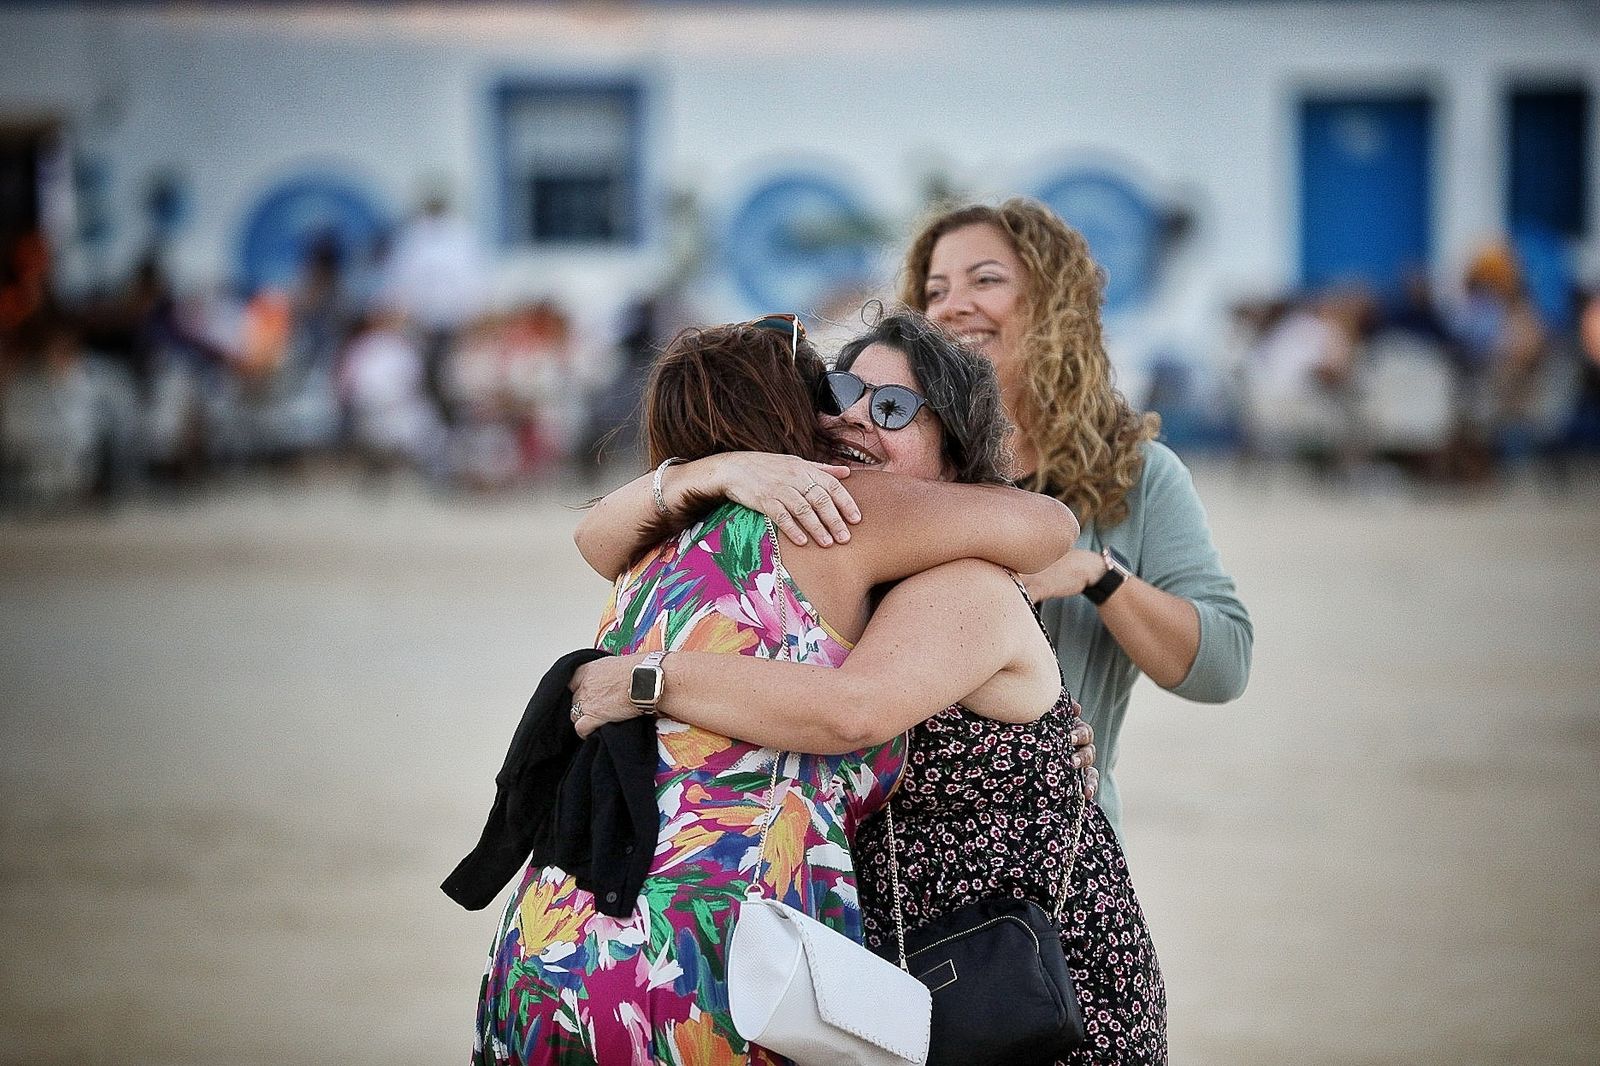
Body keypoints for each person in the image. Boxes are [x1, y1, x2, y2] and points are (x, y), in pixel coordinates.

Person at [474, 313, 1081, 1066]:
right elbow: (1043, 529)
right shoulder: (836, 509)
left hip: (548, 947)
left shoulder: (656, 541)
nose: (854, 415)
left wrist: (648, 673)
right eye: (840, 391)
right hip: (716, 966)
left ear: (956, 454)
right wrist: (718, 469)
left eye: (892, 408)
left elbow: (593, 540)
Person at [609, 200, 1251, 837]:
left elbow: (1223, 665)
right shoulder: (852, 479)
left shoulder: (1135, 476)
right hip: (860, 864)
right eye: (935, 287)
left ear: (1057, 305)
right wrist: (703, 473)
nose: (954, 304)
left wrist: (1095, 580)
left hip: (1027, 874)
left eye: (987, 279)